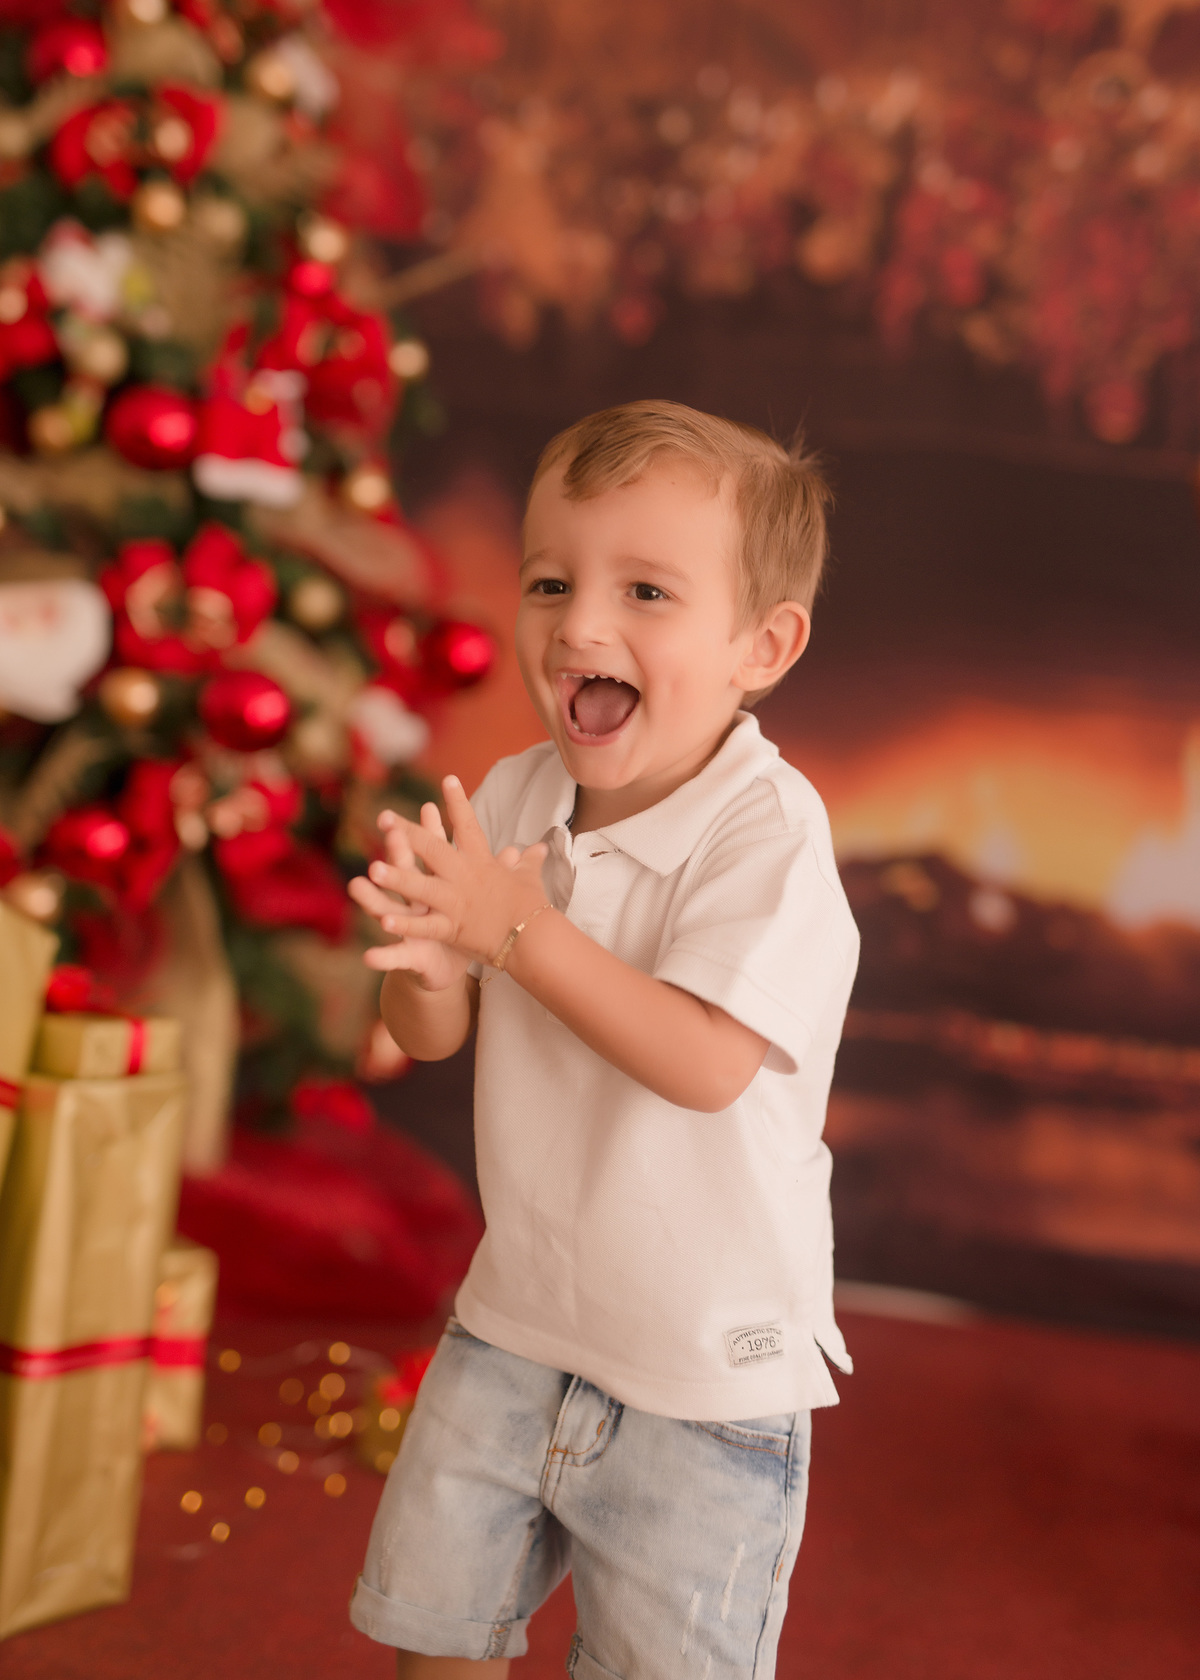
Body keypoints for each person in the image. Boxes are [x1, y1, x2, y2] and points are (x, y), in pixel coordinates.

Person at [347, 399, 859, 1679]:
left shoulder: (771, 836)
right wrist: (425, 962)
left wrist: (515, 930)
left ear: (763, 644)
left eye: (644, 590)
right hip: (515, 1320)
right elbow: (434, 1034)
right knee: (435, 1635)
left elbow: (703, 1061)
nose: (580, 625)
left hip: (702, 1374)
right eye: (549, 580)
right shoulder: (519, 794)